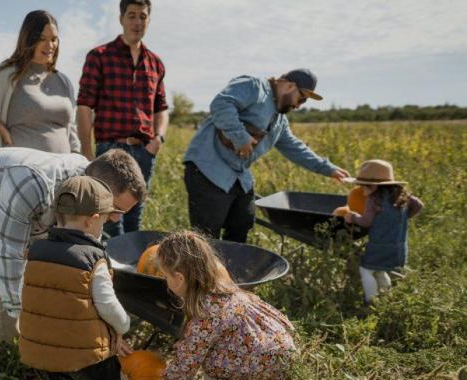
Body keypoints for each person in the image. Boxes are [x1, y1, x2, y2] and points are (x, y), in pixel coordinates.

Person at [0, 147, 146, 344]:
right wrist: (33, 327)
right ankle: (7, 358)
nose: (117, 221)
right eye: (115, 209)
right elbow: (8, 254)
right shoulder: (34, 183)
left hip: (9, 213)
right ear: (99, 187)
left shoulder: (87, 187)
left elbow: (87, 254)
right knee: (2, 283)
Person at [140, 231, 296, 380]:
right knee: (246, 355)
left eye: (166, 276)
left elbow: (188, 359)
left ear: (179, 278)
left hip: (257, 365)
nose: (166, 282)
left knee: (210, 361)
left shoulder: (205, 312)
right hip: (281, 355)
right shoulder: (227, 290)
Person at [18, 176, 132, 380]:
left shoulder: (35, 252)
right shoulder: (93, 259)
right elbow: (107, 305)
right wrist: (123, 326)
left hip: (46, 354)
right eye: (104, 221)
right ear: (92, 220)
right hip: (86, 356)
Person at [184, 68, 350, 243]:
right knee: (206, 235)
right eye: (301, 98)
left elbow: (295, 148)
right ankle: (197, 269)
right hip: (208, 169)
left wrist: (328, 168)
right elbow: (221, 104)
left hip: (238, 177)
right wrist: (241, 137)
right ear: (290, 86)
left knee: (242, 224)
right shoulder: (254, 86)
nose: (300, 105)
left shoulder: (280, 121)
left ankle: (229, 269)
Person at [76, 0, 169, 236]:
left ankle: (129, 270)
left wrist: (158, 139)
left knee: (134, 218)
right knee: (109, 220)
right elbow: (85, 106)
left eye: (143, 16)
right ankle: (107, 270)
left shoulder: (155, 63)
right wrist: (87, 153)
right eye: (132, 15)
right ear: (121, 19)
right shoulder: (100, 56)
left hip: (144, 152)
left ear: (149, 20)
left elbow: (161, 107)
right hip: (110, 151)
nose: (137, 22)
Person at [0, 10, 79, 153]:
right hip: (22, 169)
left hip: (64, 169)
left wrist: (77, 157)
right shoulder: (7, 75)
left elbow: (71, 127)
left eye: (53, 39)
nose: (50, 45)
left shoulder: (63, 81)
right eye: (42, 39)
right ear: (29, 39)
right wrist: (1, 129)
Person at [343, 159, 423, 304]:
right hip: (399, 247)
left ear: (373, 186)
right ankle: (385, 299)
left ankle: (371, 301)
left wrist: (353, 217)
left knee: (366, 270)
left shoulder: (374, 199)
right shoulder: (401, 195)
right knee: (381, 271)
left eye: (364, 187)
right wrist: (403, 218)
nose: (362, 190)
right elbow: (419, 205)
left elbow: (366, 222)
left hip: (379, 246)